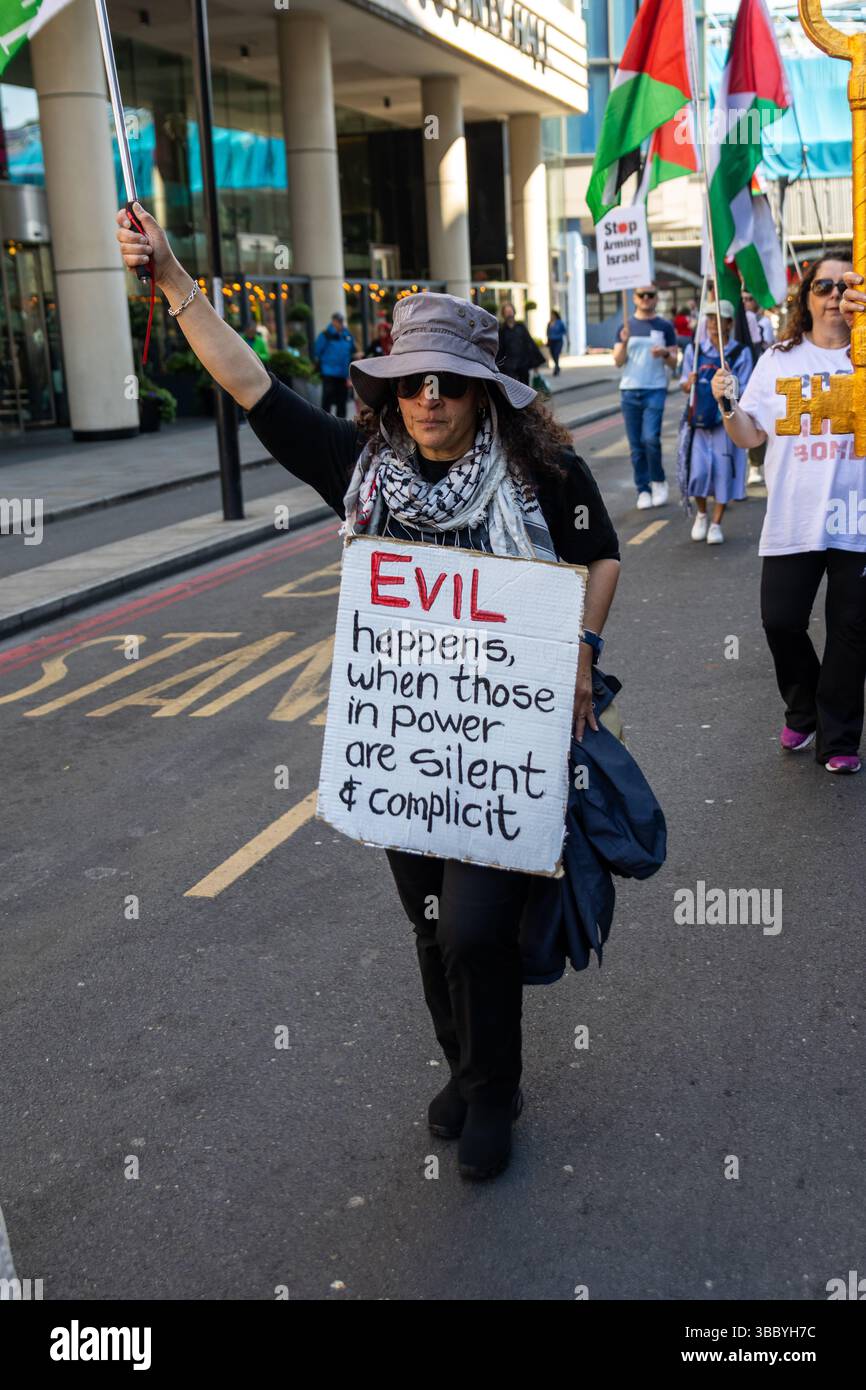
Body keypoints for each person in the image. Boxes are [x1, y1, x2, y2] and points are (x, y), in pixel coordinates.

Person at [115, 200, 622, 1179]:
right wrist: (175, 281)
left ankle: (494, 1091)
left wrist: (578, 646)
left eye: (450, 385)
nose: (429, 399)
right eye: (412, 382)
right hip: (403, 746)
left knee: (477, 927)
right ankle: (464, 1064)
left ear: (482, 393)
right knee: (430, 924)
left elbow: (598, 559)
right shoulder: (363, 472)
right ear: (392, 391)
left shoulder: (542, 473)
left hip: (503, 746)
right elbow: (253, 385)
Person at [713, 250, 866, 774]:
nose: (832, 296)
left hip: (858, 518)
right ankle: (804, 709)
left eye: (843, 286)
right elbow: (750, 434)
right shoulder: (779, 359)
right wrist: (728, 405)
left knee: (850, 630)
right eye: (821, 287)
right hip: (794, 517)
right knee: (781, 622)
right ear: (805, 297)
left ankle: (840, 737)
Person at [679, 301, 752, 545]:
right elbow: (684, 386)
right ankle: (701, 514)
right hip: (699, 422)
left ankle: (716, 522)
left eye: (718, 319)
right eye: (709, 318)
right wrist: (688, 383)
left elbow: (746, 390)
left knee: (722, 472)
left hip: (724, 422)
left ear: (729, 323)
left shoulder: (741, 352)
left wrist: (730, 382)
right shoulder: (695, 350)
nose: (713, 324)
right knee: (698, 472)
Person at [612, 283, 677, 509]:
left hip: (655, 388)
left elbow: (674, 361)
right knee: (636, 445)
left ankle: (658, 480)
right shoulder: (626, 326)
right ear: (635, 299)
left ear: (656, 298)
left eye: (651, 294)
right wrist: (625, 341)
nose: (647, 298)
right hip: (629, 389)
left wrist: (665, 353)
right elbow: (618, 361)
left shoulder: (664, 326)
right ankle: (643, 489)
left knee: (650, 439)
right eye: (642, 295)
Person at [313, 311, 356, 417]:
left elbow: (352, 350)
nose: (340, 323)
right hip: (329, 373)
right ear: (333, 322)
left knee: (342, 402)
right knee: (327, 400)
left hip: (342, 374)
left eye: (341, 321)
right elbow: (317, 351)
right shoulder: (325, 335)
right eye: (338, 321)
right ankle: (324, 422)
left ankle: (341, 425)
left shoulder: (347, 335)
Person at [497, 301, 545, 385]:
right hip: (508, 368)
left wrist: (535, 364)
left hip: (523, 365)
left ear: (514, 312)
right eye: (507, 312)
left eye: (510, 311)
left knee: (525, 390)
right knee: (512, 392)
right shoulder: (501, 330)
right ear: (503, 314)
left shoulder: (521, 327)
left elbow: (530, 344)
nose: (509, 314)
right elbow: (499, 349)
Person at [546, 309, 568, 375]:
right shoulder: (549, 323)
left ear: (555, 315)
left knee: (556, 353)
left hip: (558, 341)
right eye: (551, 315)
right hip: (551, 341)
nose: (551, 316)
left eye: (552, 315)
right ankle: (557, 366)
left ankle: (556, 368)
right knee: (552, 354)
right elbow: (547, 332)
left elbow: (565, 331)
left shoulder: (560, 322)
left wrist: (568, 340)